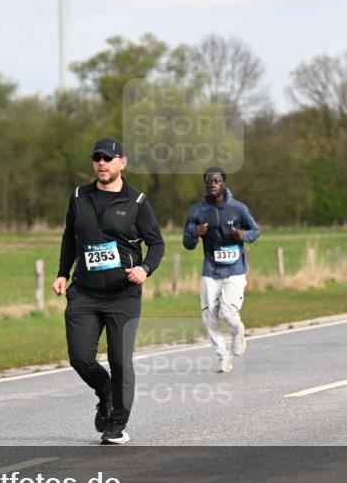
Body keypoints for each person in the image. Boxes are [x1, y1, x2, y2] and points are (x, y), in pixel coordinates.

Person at [52, 138, 165, 444]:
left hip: (123, 295)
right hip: (85, 292)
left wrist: (145, 269)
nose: (102, 163)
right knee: (80, 357)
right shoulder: (78, 196)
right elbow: (69, 238)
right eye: (97, 158)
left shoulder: (137, 201)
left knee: (119, 360)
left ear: (122, 163)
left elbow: (156, 244)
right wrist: (63, 273)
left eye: (108, 158)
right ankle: (105, 391)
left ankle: (117, 424)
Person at [182, 166, 261, 373]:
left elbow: (255, 231)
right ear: (205, 184)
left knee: (227, 312)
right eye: (209, 181)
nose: (212, 185)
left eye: (216, 181)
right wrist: (195, 234)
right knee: (209, 314)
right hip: (210, 269)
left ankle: (237, 330)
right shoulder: (197, 211)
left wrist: (242, 235)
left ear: (223, 182)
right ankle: (223, 356)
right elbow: (187, 243)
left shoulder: (238, 208)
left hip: (235, 268)